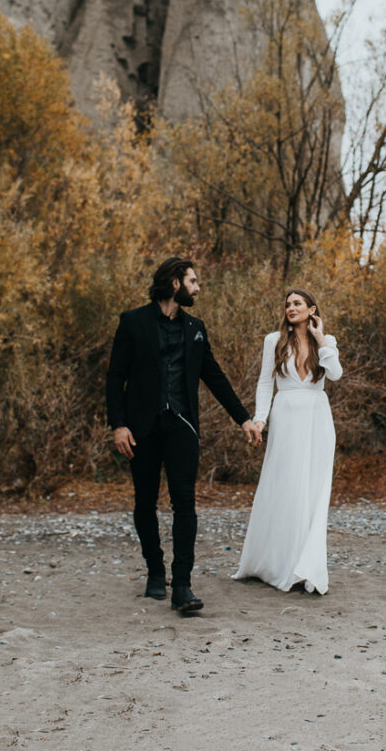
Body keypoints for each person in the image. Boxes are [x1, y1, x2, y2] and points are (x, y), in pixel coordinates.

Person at [106, 257, 261, 612]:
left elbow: (214, 376)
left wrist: (243, 419)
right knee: (144, 502)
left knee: (185, 503)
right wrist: (118, 424)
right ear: (175, 283)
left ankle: (183, 585)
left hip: (183, 428)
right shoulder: (133, 321)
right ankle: (155, 572)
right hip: (141, 429)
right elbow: (116, 376)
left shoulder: (196, 328)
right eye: (193, 281)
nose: (198, 287)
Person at [233, 289, 342, 594]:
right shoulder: (274, 340)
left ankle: (307, 566)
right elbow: (265, 382)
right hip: (286, 417)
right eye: (288, 304)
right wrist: (261, 418)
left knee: (313, 489)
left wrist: (321, 340)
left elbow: (335, 375)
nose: (291, 308)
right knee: (285, 486)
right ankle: (278, 563)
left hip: (318, 418)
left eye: (297, 303)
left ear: (312, 309)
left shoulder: (327, 341)